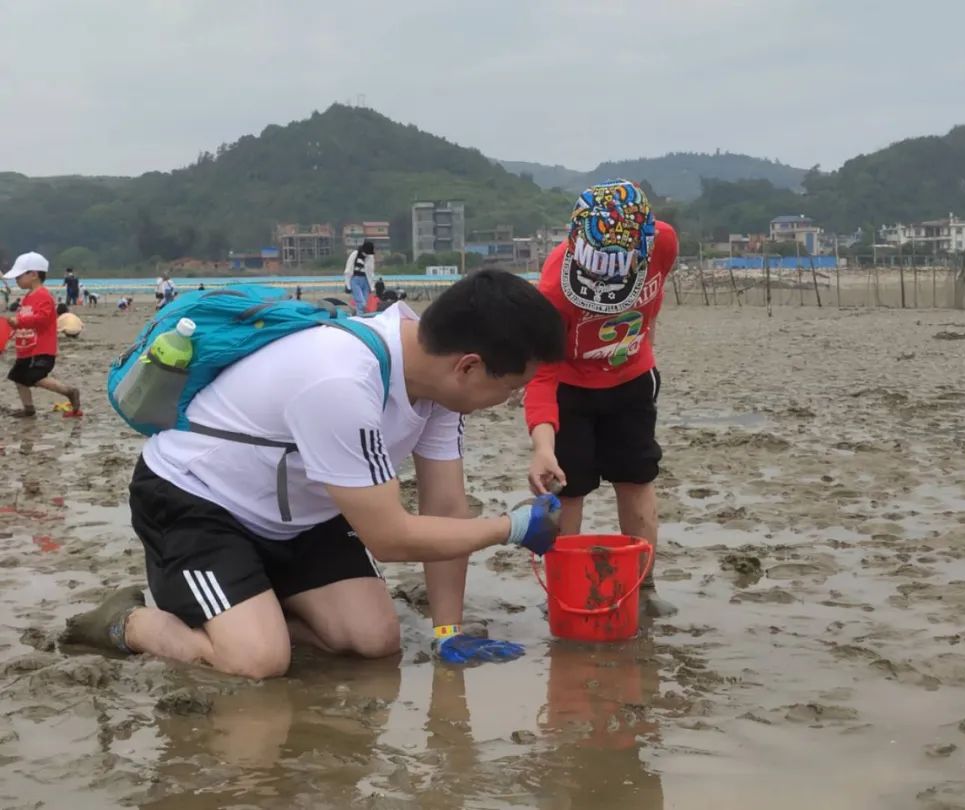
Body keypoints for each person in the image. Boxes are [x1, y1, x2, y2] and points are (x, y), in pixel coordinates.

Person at [63, 270, 566, 678]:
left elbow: (446, 508)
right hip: (198, 504)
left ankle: (252, 603)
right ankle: (127, 622)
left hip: (301, 514)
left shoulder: (437, 387)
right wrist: (511, 528)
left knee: (373, 641)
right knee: (257, 662)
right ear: (470, 366)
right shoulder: (340, 380)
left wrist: (447, 632)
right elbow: (389, 537)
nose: (512, 400)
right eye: (512, 387)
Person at [524, 180, 679, 617]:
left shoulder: (663, 242)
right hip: (571, 389)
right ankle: (562, 590)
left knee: (636, 479)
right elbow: (542, 376)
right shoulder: (554, 287)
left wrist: (637, 350)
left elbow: (657, 302)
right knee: (568, 489)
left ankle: (644, 588)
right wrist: (543, 447)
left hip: (632, 381)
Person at [3, 252, 81, 417]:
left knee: (34, 377)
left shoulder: (44, 296)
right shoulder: (26, 298)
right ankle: (28, 408)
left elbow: (43, 319)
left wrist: (20, 322)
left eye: (19, 276)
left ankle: (69, 391)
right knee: (18, 376)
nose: (16, 280)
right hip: (26, 348)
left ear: (33, 275)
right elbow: (22, 318)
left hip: (41, 349)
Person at [345, 240, 376, 312]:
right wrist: (348, 285)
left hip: (366, 280)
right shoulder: (355, 254)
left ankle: (360, 314)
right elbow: (348, 269)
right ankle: (359, 313)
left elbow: (371, 272)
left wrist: (372, 287)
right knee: (360, 301)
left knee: (365, 300)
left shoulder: (370, 256)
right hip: (355, 279)